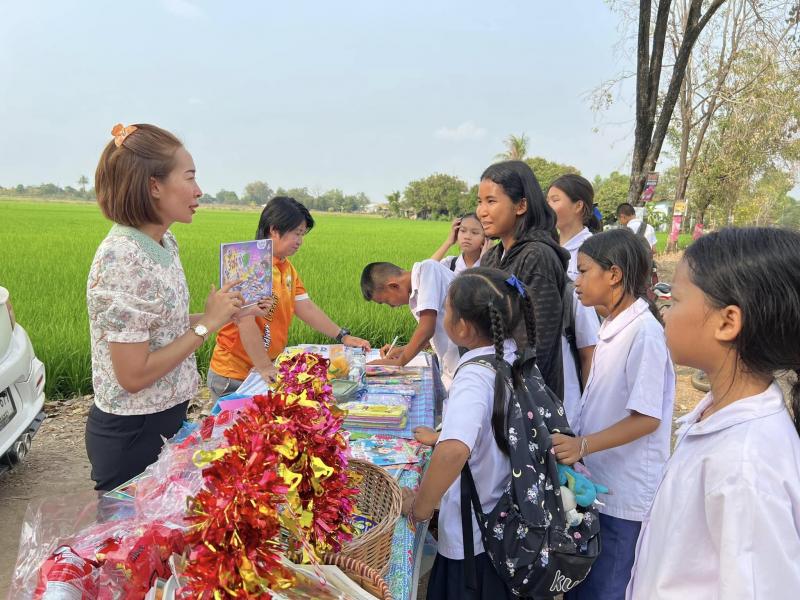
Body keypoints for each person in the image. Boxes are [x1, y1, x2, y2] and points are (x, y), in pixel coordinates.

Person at [626, 227, 800, 599]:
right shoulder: (719, 418)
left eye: (675, 299)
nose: (664, 311)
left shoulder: (745, 464)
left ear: (727, 322)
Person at [86, 123, 246, 491]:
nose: (199, 190)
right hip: (133, 433)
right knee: (137, 529)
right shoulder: (121, 258)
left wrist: (223, 315)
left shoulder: (164, 242)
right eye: (189, 177)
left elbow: (162, 326)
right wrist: (206, 325)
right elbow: (133, 375)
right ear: (154, 186)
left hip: (166, 417)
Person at [551, 228, 675, 599]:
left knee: (607, 587)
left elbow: (647, 418)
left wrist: (582, 445)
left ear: (614, 275)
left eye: (583, 271)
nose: (576, 282)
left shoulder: (644, 333)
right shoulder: (613, 324)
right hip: (600, 482)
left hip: (624, 495)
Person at [402, 268, 523, 599]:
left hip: (473, 535)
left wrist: (420, 508)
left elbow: (454, 451)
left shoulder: (473, 376)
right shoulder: (511, 356)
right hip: (503, 519)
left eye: (446, 309)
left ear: (463, 328)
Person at [208, 196, 370, 399]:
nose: (300, 241)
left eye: (302, 234)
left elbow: (305, 307)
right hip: (234, 377)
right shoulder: (249, 265)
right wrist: (265, 366)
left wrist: (342, 336)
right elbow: (244, 320)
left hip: (262, 372)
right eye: (297, 233)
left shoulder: (286, 268)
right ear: (274, 230)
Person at [477, 160, 569, 399]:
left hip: (526, 400)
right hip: (493, 387)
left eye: (491, 201)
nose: (481, 211)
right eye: (479, 202)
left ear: (521, 206)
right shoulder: (491, 258)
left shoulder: (537, 257)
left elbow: (537, 345)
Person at [547, 174, 601, 424]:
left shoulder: (593, 250)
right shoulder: (548, 248)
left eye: (555, 200)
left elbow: (588, 347)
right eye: (547, 200)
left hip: (582, 344)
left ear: (578, 206)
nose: (548, 206)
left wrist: (588, 407)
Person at [360, 260, 460, 389]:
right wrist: (402, 350)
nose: (391, 307)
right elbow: (435, 335)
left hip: (465, 366)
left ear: (393, 286)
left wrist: (398, 363)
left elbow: (427, 329)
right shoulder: (417, 292)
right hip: (452, 368)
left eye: (387, 301)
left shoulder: (428, 271)